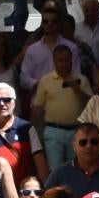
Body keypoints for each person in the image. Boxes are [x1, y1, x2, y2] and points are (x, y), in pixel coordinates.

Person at [31, 34, 91, 172]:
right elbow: (37, 108)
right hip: (53, 131)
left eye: (67, 60)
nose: (64, 63)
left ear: (72, 60)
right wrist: (32, 131)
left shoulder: (82, 80)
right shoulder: (45, 80)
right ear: (54, 61)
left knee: (75, 169)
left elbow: (91, 105)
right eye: (60, 60)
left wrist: (78, 90)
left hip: (77, 131)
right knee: (56, 169)